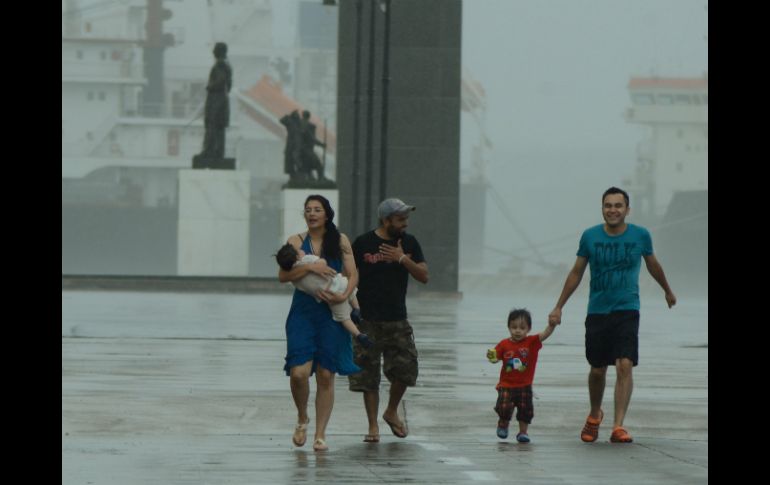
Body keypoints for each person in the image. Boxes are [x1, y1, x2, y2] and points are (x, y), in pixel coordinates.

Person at [548, 186, 676, 444]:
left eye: (618, 205)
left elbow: (653, 264)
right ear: (602, 209)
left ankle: (618, 426)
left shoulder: (640, 235)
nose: (613, 210)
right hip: (597, 310)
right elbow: (576, 272)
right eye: (608, 205)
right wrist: (559, 306)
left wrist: (667, 290)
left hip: (627, 308)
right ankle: (595, 414)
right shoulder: (590, 237)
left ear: (627, 210)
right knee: (597, 369)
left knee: (625, 364)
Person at [278, 195, 361, 452]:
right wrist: (310, 269)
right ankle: (302, 417)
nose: (312, 213)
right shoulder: (295, 241)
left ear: (327, 214)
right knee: (299, 373)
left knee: (326, 374)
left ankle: (320, 434)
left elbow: (353, 274)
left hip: (332, 312)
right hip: (303, 312)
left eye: (317, 209)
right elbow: (283, 275)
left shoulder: (340, 240)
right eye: (308, 210)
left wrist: (344, 297)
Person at [348, 198, 429, 443]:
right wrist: (348, 305)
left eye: (406, 219)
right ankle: (372, 426)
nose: (405, 223)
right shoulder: (363, 243)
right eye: (400, 219)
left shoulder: (409, 243)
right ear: (386, 220)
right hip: (367, 319)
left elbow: (424, 276)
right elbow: (349, 275)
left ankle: (391, 410)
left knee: (406, 370)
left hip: (397, 319)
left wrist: (402, 258)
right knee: (368, 376)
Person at [275, 243, 373, 349]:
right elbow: (323, 262)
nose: (302, 250)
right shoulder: (307, 259)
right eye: (299, 250)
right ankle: (356, 309)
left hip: (329, 295)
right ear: (297, 257)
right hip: (338, 282)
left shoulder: (295, 280)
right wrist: (319, 263)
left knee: (344, 319)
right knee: (351, 291)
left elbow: (305, 289)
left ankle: (359, 335)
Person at [486, 308, 557, 443]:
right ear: (508, 327)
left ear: (528, 329)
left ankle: (523, 432)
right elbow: (495, 358)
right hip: (506, 385)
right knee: (504, 407)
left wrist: (551, 325)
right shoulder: (504, 344)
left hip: (525, 385)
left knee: (525, 410)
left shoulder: (531, 342)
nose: (518, 331)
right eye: (514, 327)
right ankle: (503, 423)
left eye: (522, 328)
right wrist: (491, 357)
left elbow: (545, 334)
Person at [200, 42, 232, 160]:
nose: (213, 52)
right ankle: (217, 152)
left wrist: (210, 86)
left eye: (215, 50)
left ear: (218, 51)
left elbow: (220, 81)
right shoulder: (226, 66)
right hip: (221, 100)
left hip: (216, 101)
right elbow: (229, 85)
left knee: (212, 126)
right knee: (218, 128)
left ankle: (209, 151)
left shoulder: (220, 66)